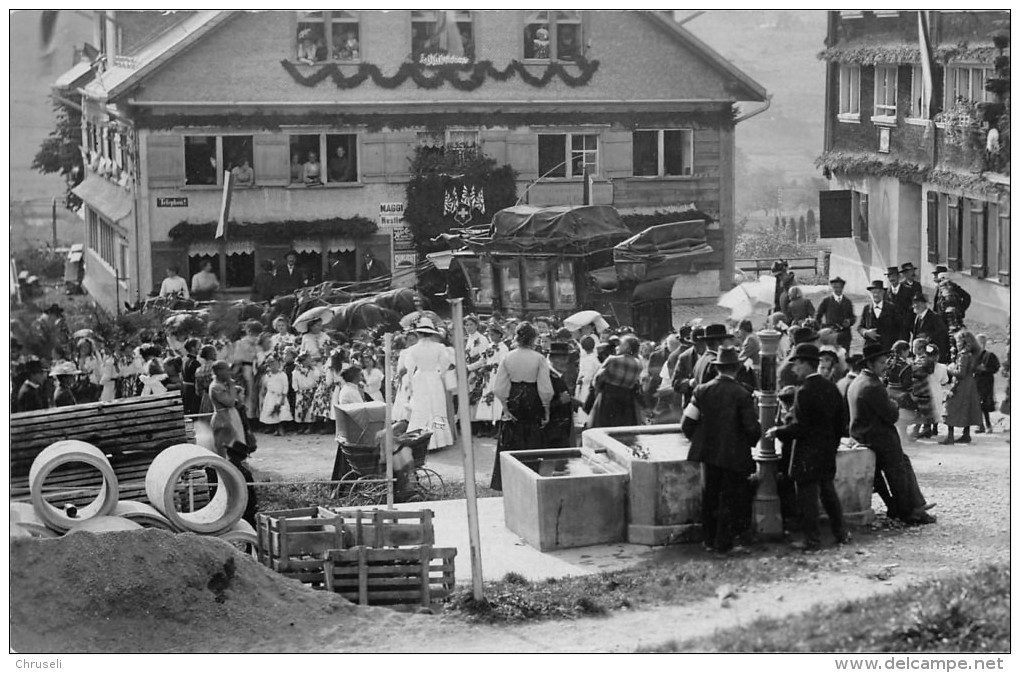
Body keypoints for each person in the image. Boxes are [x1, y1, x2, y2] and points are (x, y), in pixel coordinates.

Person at [766, 343, 850, 551]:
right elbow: (842, 422)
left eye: (797, 364)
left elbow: (801, 427)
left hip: (807, 452)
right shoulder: (831, 387)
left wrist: (778, 432)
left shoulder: (804, 391)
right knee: (828, 493)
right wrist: (832, 444)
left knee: (807, 498)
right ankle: (841, 533)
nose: (794, 369)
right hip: (827, 450)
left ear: (807, 365)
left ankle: (812, 540)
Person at [681, 345, 761, 555]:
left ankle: (708, 540)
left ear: (717, 368)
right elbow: (752, 428)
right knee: (731, 497)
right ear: (736, 368)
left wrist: (702, 440)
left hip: (708, 453)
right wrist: (748, 442)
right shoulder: (743, 394)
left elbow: (687, 424)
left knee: (711, 495)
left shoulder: (701, 390)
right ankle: (724, 543)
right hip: (734, 454)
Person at [847, 343, 935, 525]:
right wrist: (894, 402)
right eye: (880, 362)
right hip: (876, 437)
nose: (885, 365)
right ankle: (909, 512)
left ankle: (914, 506)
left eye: (885, 361)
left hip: (862, 434)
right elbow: (892, 415)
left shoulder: (858, 381)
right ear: (870, 364)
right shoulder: (872, 385)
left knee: (902, 462)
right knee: (899, 468)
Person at [490, 322, 554, 490]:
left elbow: (499, 386)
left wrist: (504, 406)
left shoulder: (508, 357)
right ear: (533, 338)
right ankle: (531, 479)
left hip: (514, 396)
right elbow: (545, 388)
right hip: (533, 398)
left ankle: (510, 481)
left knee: (512, 438)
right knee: (533, 438)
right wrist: (546, 408)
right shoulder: (539, 358)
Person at [401, 317, 456, 452]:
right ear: (431, 333)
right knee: (437, 408)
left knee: (421, 409)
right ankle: (439, 439)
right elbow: (445, 365)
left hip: (420, 377)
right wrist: (440, 373)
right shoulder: (439, 347)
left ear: (419, 333)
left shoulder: (413, 350)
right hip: (433, 377)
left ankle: (420, 439)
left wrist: (411, 382)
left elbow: (409, 367)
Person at [587, 334, 643, 428]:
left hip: (608, 400)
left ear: (627, 347)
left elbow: (598, 379)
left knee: (603, 430)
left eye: (620, 344)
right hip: (626, 403)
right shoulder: (638, 364)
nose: (617, 347)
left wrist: (596, 391)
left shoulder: (613, 360)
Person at [941, 330, 984, 445]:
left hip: (961, 384)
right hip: (970, 384)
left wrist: (949, 368)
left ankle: (950, 436)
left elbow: (961, 373)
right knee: (967, 407)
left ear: (963, 342)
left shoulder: (963, 355)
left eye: (958, 341)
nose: (956, 344)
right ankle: (966, 434)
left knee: (951, 407)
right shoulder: (973, 353)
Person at [857, 279, 904, 353]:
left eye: (878, 292)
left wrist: (896, 346)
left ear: (883, 293)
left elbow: (900, 327)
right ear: (870, 293)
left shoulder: (891, 308)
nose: (876, 295)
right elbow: (860, 327)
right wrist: (866, 332)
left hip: (887, 348)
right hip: (870, 348)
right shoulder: (867, 308)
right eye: (873, 292)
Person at [544, 342, 577, 448]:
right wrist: (560, 402)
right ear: (551, 359)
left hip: (560, 431)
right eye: (561, 358)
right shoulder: (547, 377)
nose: (565, 362)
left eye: (566, 358)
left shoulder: (558, 377)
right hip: (551, 434)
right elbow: (541, 405)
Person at [463, 314, 491, 427]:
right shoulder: (469, 338)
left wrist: (469, 368)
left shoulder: (482, 339)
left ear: (476, 325)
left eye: (471, 324)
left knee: (477, 396)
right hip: (470, 370)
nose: (468, 327)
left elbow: (484, 359)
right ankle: (472, 424)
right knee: (470, 396)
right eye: (466, 325)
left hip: (478, 371)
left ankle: (481, 425)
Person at [909, 293, 950, 364]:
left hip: (931, 355)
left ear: (923, 304)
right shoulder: (917, 317)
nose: (914, 306)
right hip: (920, 355)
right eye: (914, 303)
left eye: (916, 303)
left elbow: (942, 334)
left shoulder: (935, 317)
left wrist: (928, 337)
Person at [973, 333, 1000, 434]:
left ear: (983, 344)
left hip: (986, 382)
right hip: (976, 382)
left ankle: (988, 425)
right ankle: (980, 425)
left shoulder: (989, 355)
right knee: (976, 404)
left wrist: (985, 369)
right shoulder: (973, 355)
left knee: (984, 403)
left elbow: (995, 368)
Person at [259, 355, 293, 436]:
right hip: (270, 396)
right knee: (272, 412)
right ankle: (275, 428)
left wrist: (283, 397)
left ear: (279, 365)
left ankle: (281, 428)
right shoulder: (267, 376)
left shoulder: (282, 375)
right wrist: (263, 397)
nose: (273, 367)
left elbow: (285, 386)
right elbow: (264, 387)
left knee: (281, 412)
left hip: (280, 396)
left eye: (275, 364)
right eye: (271, 365)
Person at [291, 350, 320, 433]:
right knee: (300, 408)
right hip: (301, 392)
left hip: (311, 391)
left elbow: (317, 379)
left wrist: (314, 389)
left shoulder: (313, 370)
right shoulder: (297, 371)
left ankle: (310, 426)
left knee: (310, 409)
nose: (309, 361)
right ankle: (301, 426)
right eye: (307, 359)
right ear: (302, 361)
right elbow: (294, 381)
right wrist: (296, 390)